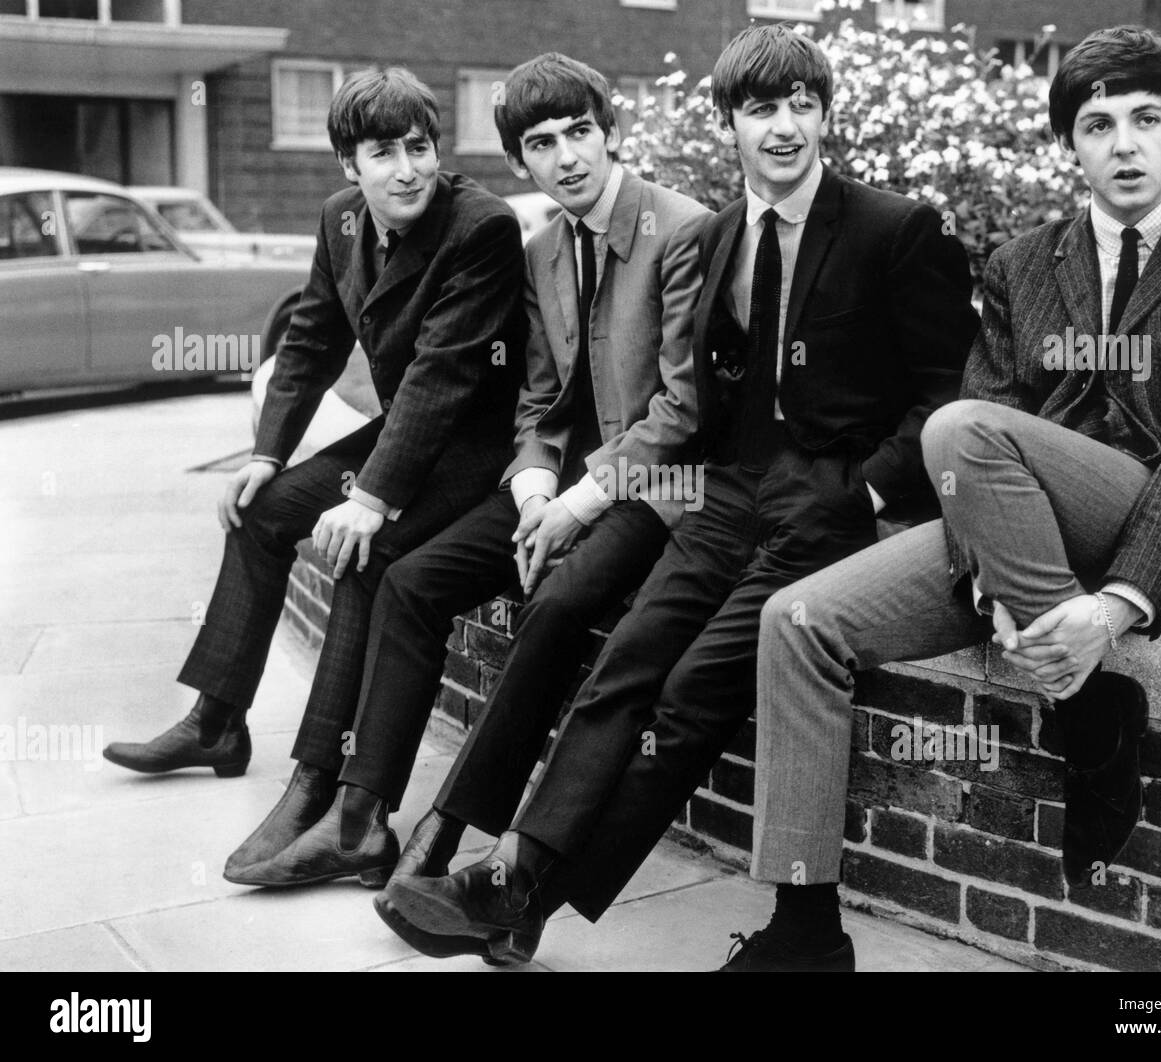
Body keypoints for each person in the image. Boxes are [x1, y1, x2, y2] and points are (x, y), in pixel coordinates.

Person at [385, 23, 978, 966]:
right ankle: (515, 881)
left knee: (697, 688)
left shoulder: (893, 229)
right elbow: (705, 399)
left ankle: (520, 885)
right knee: (624, 660)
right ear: (730, 124)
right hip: (727, 493)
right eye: (760, 110)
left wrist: (865, 493)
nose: (783, 129)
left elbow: (951, 390)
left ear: (825, 114)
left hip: (833, 503)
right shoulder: (718, 237)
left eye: (801, 107)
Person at [727, 25, 1161, 971]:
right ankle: (804, 928)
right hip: (1016, 527)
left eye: (1146, 120)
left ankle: (1081, 701)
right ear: (1069, 145)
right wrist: (1000, 572)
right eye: (1096, 124)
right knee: (796, 621)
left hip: (1160, 532)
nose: (1124, 145)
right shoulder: (1026, 262)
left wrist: (1112, 610)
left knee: (956, 427)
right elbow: (994, 418)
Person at [222, 54, 711, 913]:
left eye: (581, 134)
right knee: (408, 581)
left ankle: (446, 831)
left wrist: (572, 502)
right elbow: (536, 398)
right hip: (552, 486)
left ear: (611, 130)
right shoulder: (544, 248)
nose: (567, 158)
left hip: (652, 487)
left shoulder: (685, 229)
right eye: (541, 144)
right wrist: (531, 489)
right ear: (519, 161)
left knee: (553, 607)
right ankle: (359, 818)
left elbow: (681, 410)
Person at [103, 68, 526, 887]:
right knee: (262, 514)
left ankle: (319, 788)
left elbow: (442, 378)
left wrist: (370, 498)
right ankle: (218, 721)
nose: (408, 168)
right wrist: (267, 455)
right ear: (347, 165)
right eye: (383, 152)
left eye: (420, 147)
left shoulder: (481, 227)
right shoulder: (339, 222)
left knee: (362, 554)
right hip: (403, 434)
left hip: (474, 448)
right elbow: (309, 341)